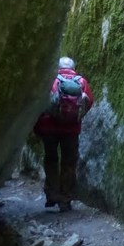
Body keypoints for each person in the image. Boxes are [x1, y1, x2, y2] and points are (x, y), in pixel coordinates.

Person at [33, 56, 93, 211]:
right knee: (69, 162)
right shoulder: (81, 82)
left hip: (49, 128)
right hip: (71, 130)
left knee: (51, 159)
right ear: (73, 67)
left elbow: (40, 102)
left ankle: (52, 194)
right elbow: (89, 101)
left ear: (58, 66)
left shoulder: (52, 80)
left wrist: (38, 127)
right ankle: (66, 199)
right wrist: (78, 118)